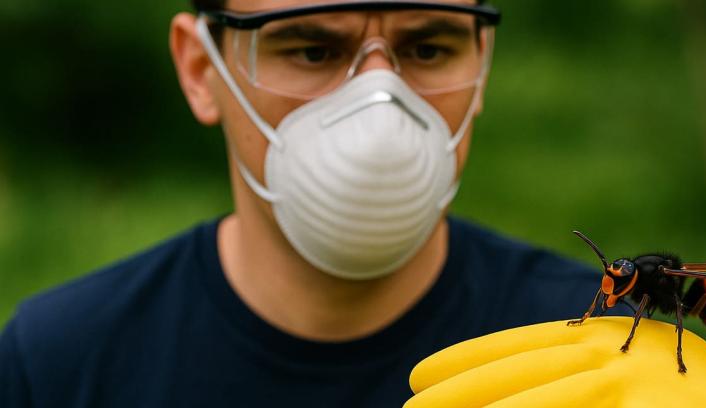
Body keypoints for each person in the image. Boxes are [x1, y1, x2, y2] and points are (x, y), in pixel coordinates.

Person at [0, 1, 606, 406]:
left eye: (427, 51)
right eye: (312, 51)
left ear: (483, 63)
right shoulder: (58, 366)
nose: (379, 103)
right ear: (198, 67)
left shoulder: (599, 353)